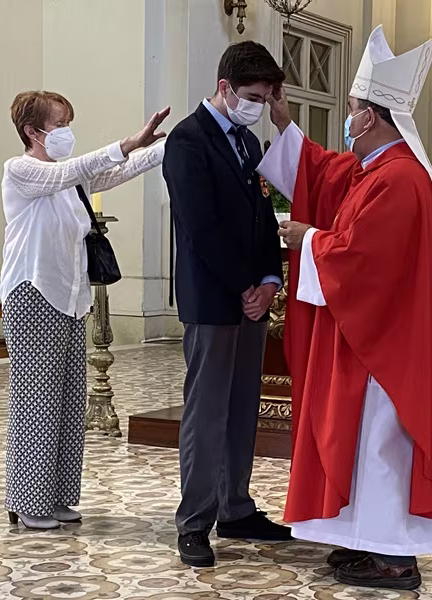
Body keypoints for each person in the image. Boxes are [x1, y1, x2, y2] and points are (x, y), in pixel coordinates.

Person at [257, 26, 432, 590]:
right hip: (377, 340)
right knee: (368, 444)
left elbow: (362, 258)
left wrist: (307, 238)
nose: (347, 119)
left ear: (370, 117)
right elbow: (325, 175)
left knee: (381, 444)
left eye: (351, 109)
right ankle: (369, 543)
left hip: (386, 348)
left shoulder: (398, 179)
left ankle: (395, 559)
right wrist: (285, 125)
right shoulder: (380, 170)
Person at [0, 90, 169, 530]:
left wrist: (170, 143)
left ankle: (56, 496)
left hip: (71, 297)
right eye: (59, 124)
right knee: (37, 401)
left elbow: (117, 171)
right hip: (32, 293)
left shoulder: (70, 180)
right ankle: (28, 501)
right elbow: (77, 169)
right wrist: (128, 142)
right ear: (32, 131)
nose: (66, 132)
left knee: (69, 400)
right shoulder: (21, 170)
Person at [162, 41, 290, 568]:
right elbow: (201, 226)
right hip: (213, 296)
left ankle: (235, 506)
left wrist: (270, 280)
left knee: (242, 408)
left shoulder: (249, 142)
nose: (258, 105)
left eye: (265, 97)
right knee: (207, 411)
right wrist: (244, 285)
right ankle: (195, 520)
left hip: (251, 298)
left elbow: (265, 215)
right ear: (225, 88)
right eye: (253, 96)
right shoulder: (188, 140)